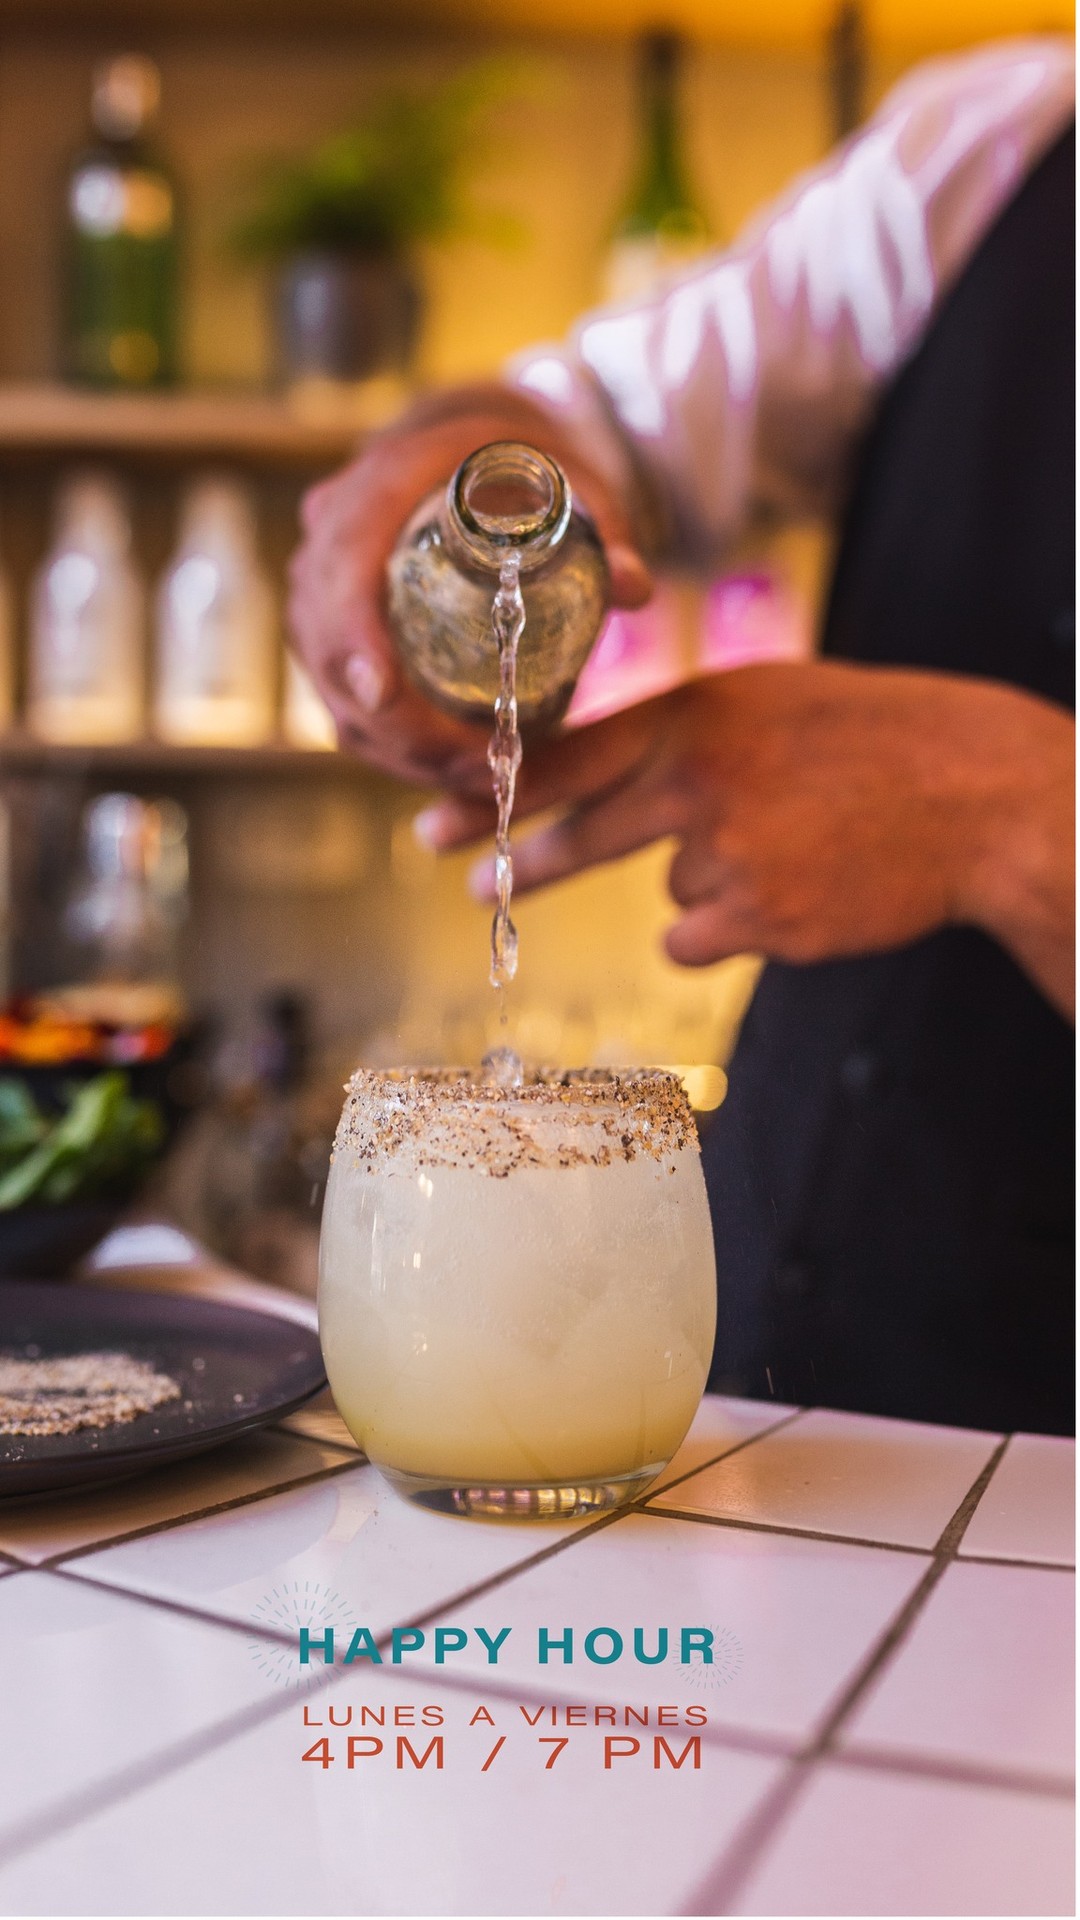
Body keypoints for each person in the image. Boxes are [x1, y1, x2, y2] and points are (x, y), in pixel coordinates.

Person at [290, 39, 1075, 1435]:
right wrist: (447, 462)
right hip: (776, 1378)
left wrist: (1008, 812)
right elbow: (597, 416)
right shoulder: (1002, 138)